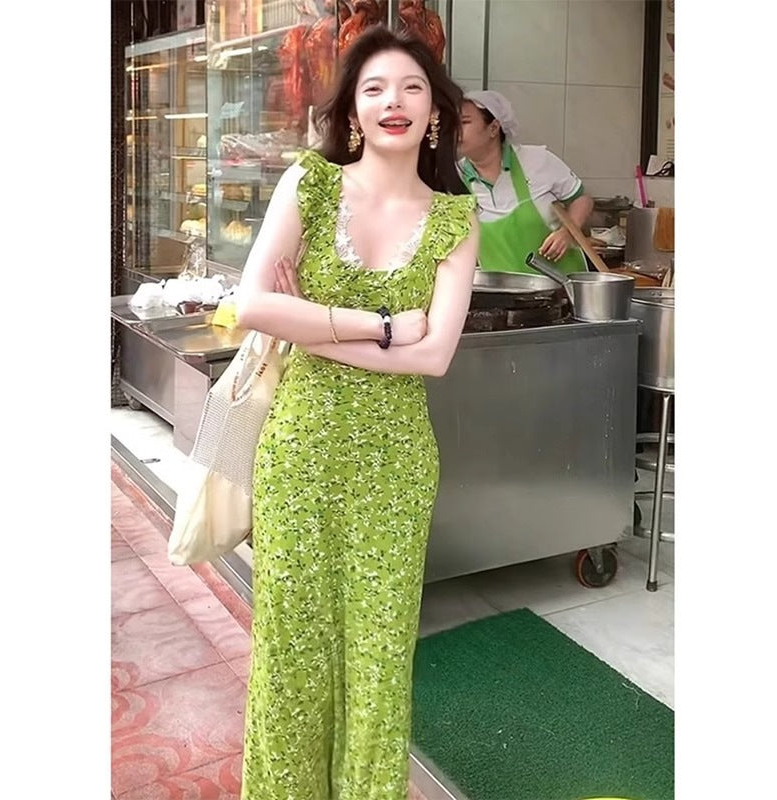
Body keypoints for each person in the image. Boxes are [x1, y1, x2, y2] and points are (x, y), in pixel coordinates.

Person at [235, 25, 479, 800]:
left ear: (434, 110)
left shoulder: (456, 217)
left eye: (411, 87)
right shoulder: (308, 184)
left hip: (395, 462)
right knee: (292, 647)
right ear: (352, 109)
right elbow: (252, 306)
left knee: (379, 656)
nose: (392, 102)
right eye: (374, 88)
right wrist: (379, 326)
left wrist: (313, 325)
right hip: (301, 449)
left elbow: (434, 357)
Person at [458, 89, 594, 274]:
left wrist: (567, 232)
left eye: (464, 122)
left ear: (494, 128)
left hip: (562, 286)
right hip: (501, 289)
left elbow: (582, 199)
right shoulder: (454, 177)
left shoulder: (537, 160)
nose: (454, 130)